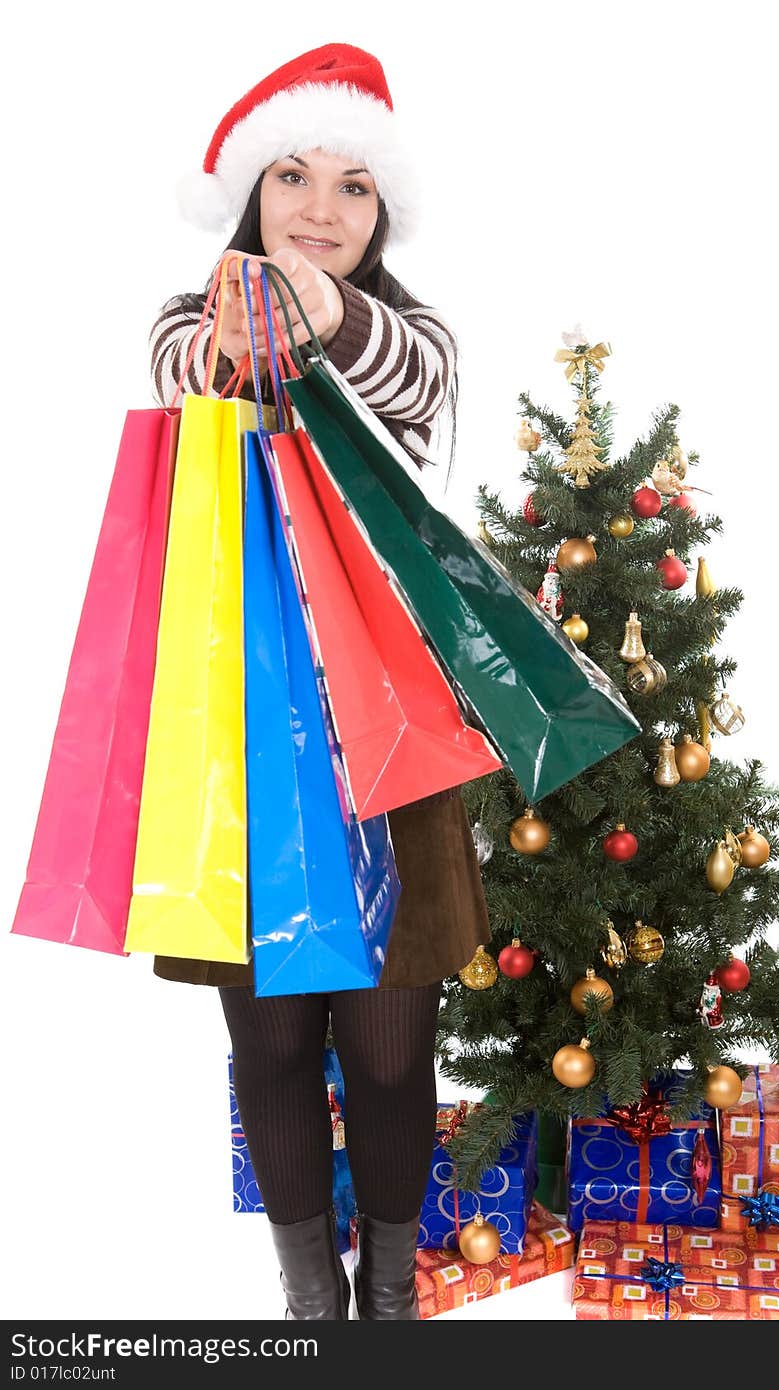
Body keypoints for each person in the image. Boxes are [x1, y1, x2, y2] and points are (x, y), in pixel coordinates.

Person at [148, 43, 491, 1321]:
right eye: (292, 176)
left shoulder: (411, 338)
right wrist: (243, 324)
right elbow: (188, 381)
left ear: (381, 214)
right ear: (250, 195)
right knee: (274, 1043)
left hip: (392, 738)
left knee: (393, 1050)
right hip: (243, 745)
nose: (321, 209)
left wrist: (325, 316)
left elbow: (408, 377)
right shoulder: (191, 328)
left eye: (354, 187)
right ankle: (310, 1309)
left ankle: (390, 1296)